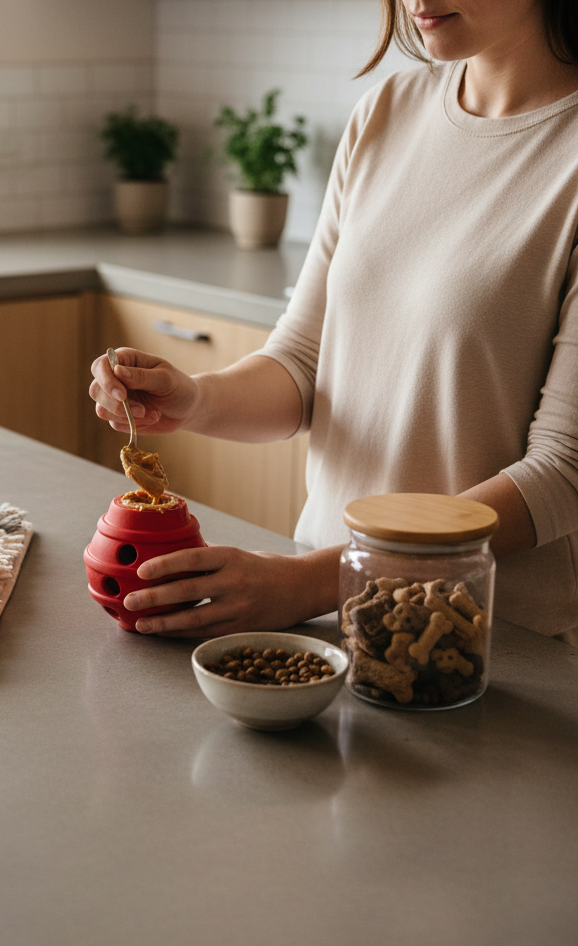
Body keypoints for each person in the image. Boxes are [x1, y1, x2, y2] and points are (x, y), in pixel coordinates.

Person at [89, 0, 578, 644]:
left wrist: (322, 580)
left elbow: (562, 471)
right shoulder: (387, 112)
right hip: (327, 623)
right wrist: (197, 399)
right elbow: (303, 362)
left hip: (485, 646)